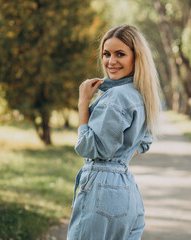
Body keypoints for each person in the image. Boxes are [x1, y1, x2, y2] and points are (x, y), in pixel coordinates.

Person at [67, 24, 161, 240]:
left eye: (120, 54)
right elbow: (144, 142)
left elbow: (89, 147)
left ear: (136, 57)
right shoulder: (141, 95)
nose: (111, 61)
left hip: (102, 189)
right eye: (106, 54)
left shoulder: (116, 97)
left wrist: (83, 103)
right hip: (127, 192)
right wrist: (119, 159)